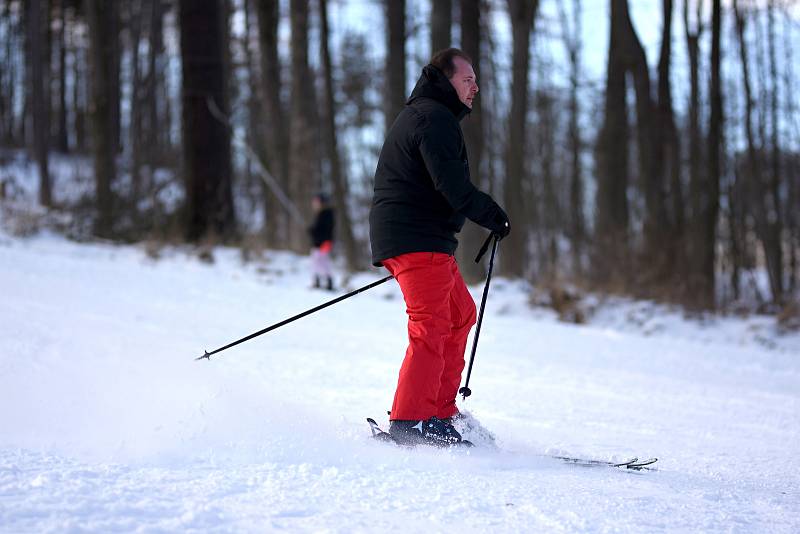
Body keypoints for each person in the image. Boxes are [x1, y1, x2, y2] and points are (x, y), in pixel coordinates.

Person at [369, 48, 510, 446]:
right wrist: (492, 214)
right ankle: (411, 421)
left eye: (475, 81)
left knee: (460, 315)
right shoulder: (432, 118)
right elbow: (452, 185)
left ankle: (440, 412)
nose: (475, 88)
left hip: (424, 238)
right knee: (430, 325)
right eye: (468, 81)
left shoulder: (431, 116)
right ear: (444, 80)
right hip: (415, 238)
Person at [308, 192, 335, 291]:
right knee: (315, 261)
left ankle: (328, 282)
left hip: (323, 243)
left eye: (316, 201)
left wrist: (314, 231)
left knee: (322, 262)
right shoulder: (321, 214)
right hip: (318, 243)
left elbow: (324, 230)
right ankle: (317, 280)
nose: (314, 204)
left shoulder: (326, 214)